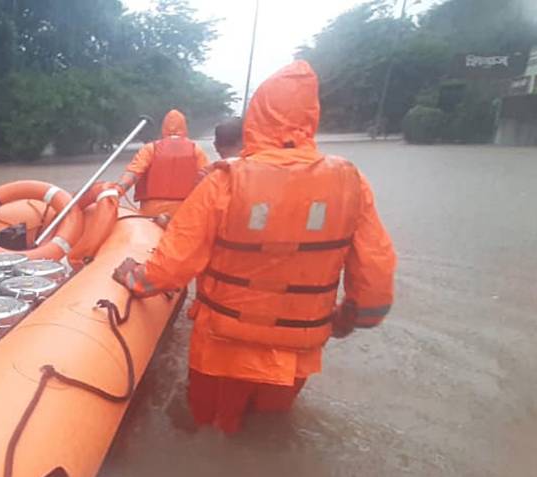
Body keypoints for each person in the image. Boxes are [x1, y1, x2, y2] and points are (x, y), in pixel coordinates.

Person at [112, 61, 397, 434]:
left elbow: (174, 263)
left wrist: (136, 280)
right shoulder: (351, 181)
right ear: (312, 117)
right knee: (268, 434)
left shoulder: (225, 182)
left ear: (257, 118)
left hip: (222, 349)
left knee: (207, 430)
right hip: (297, 351)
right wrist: (356, 318)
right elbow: (376, 272)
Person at [115, 109, 210, 218]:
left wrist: (118, 190)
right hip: (185, 209)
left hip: (152, 210)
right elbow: (207, 178)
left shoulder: (150, 148)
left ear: (163, 128)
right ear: (184, 127)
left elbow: (133, 173)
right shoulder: (196, 149)